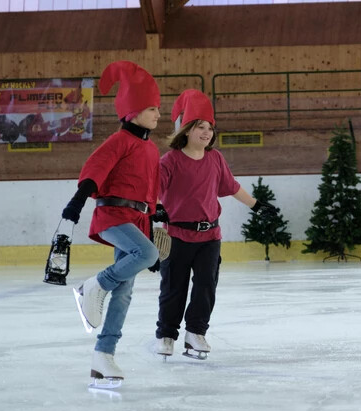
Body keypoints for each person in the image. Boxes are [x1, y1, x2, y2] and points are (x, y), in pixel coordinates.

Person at [153, 89, 277, 360]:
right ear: (187, 130)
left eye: (210, 128)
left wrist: (256, 205)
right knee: (173, 288)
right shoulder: (170, 161)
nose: (207, 133)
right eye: (200, 127)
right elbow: (154, 191)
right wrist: (158, 209)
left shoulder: (215, 158)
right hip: (176, 235)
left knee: (206, 285)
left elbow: (231, 186)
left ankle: (195, 333)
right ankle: (166, 335)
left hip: (209, 236)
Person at [61, 61, 162, 389]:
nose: (158, 114)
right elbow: (95, 171)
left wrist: (154, 224)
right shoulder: (120, 141)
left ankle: (103, 355)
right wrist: (76, 203)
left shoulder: (151, 149)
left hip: (137, 221)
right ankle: (93, 286)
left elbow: (149, 195)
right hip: (112, 217)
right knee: (144, 255)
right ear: (133, 111)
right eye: (152, 108)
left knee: (125, 290)